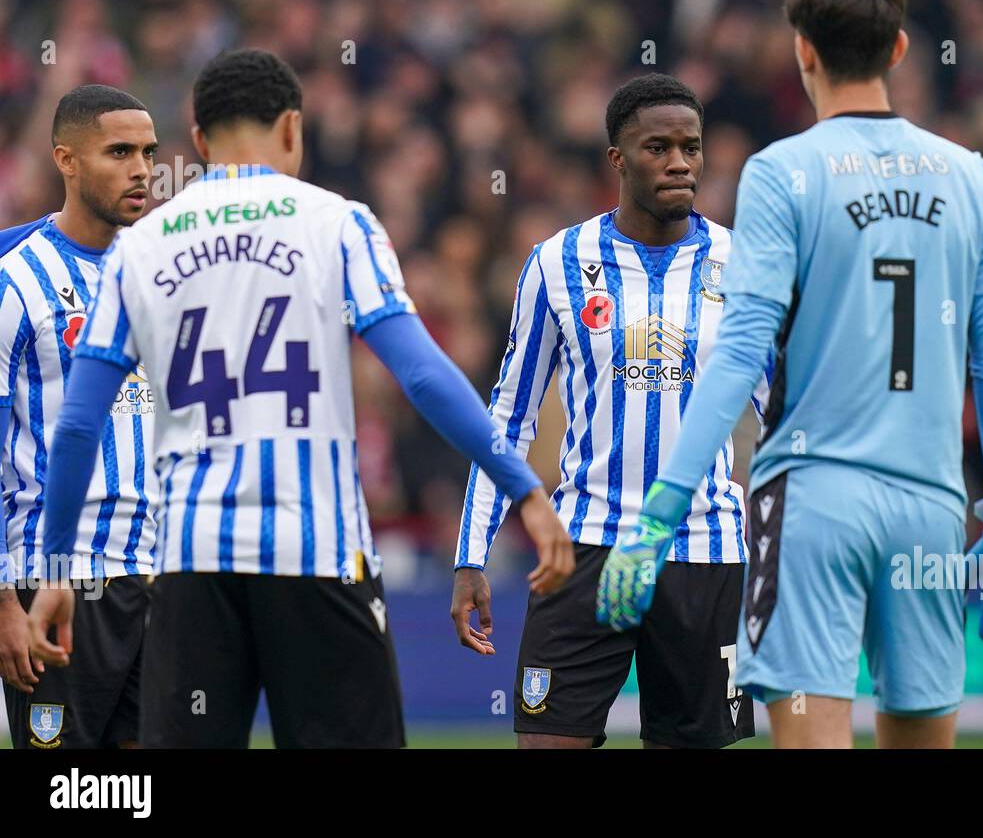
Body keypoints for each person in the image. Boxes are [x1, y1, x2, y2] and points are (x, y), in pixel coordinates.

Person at [26, 48, 573, 748]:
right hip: (315, 555)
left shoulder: (142, 246)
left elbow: (76, 425)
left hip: (193, 568)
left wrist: (56, 568)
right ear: (292, 128)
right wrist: (523, 488)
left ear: (198, 141)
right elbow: (425, 376)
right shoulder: (337, 223)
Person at [596, 0, 983, 749]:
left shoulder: (783, 172)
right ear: (900, 49)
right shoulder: (970, 176)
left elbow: (738, 354)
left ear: (802, 48)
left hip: (813, 501)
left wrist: (662, 510)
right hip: (932, 508)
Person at [454, 74, 764, 748]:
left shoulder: (743, 265)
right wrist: (471, 555)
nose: (680, 162)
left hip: (703, 553)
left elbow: (780, 418)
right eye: (658, 148)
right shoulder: (557, 262)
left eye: (691, 147)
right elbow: (507, 419)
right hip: (582, 548)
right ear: (618, 160)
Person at [0, 84, 158, 749]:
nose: (142, 170)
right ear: (66, 160)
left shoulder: (161, 273)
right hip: (52, 580)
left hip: (157, 578)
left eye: (149, 153)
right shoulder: (17, 282)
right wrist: (4, 599)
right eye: (119, 152)